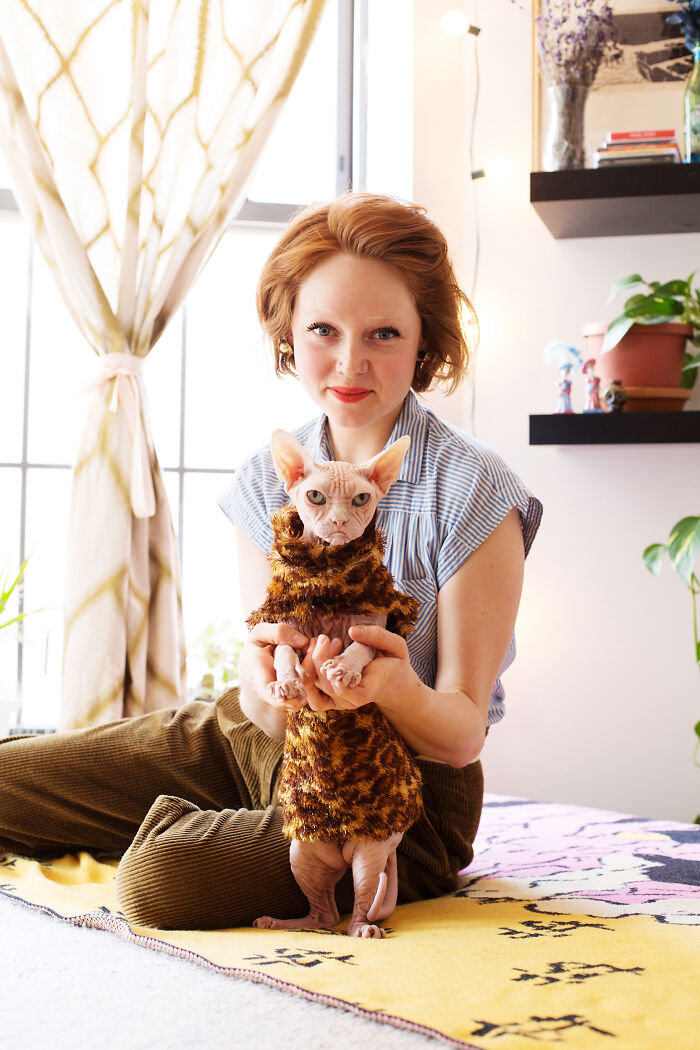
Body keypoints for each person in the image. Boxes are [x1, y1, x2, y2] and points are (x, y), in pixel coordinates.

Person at [0, 193, 541, 931]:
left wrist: (387, 685)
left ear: (425, 340)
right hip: (261, 742)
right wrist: (273, 682)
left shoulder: (475, 489)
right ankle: (168, 804)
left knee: (160, 879)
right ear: (290, 332)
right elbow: (262, 711)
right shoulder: (267, 475)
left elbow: (459, 734)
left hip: (392, 793)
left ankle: (172, 826)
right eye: (323, 329)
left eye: (384, 332)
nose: (350, 362)